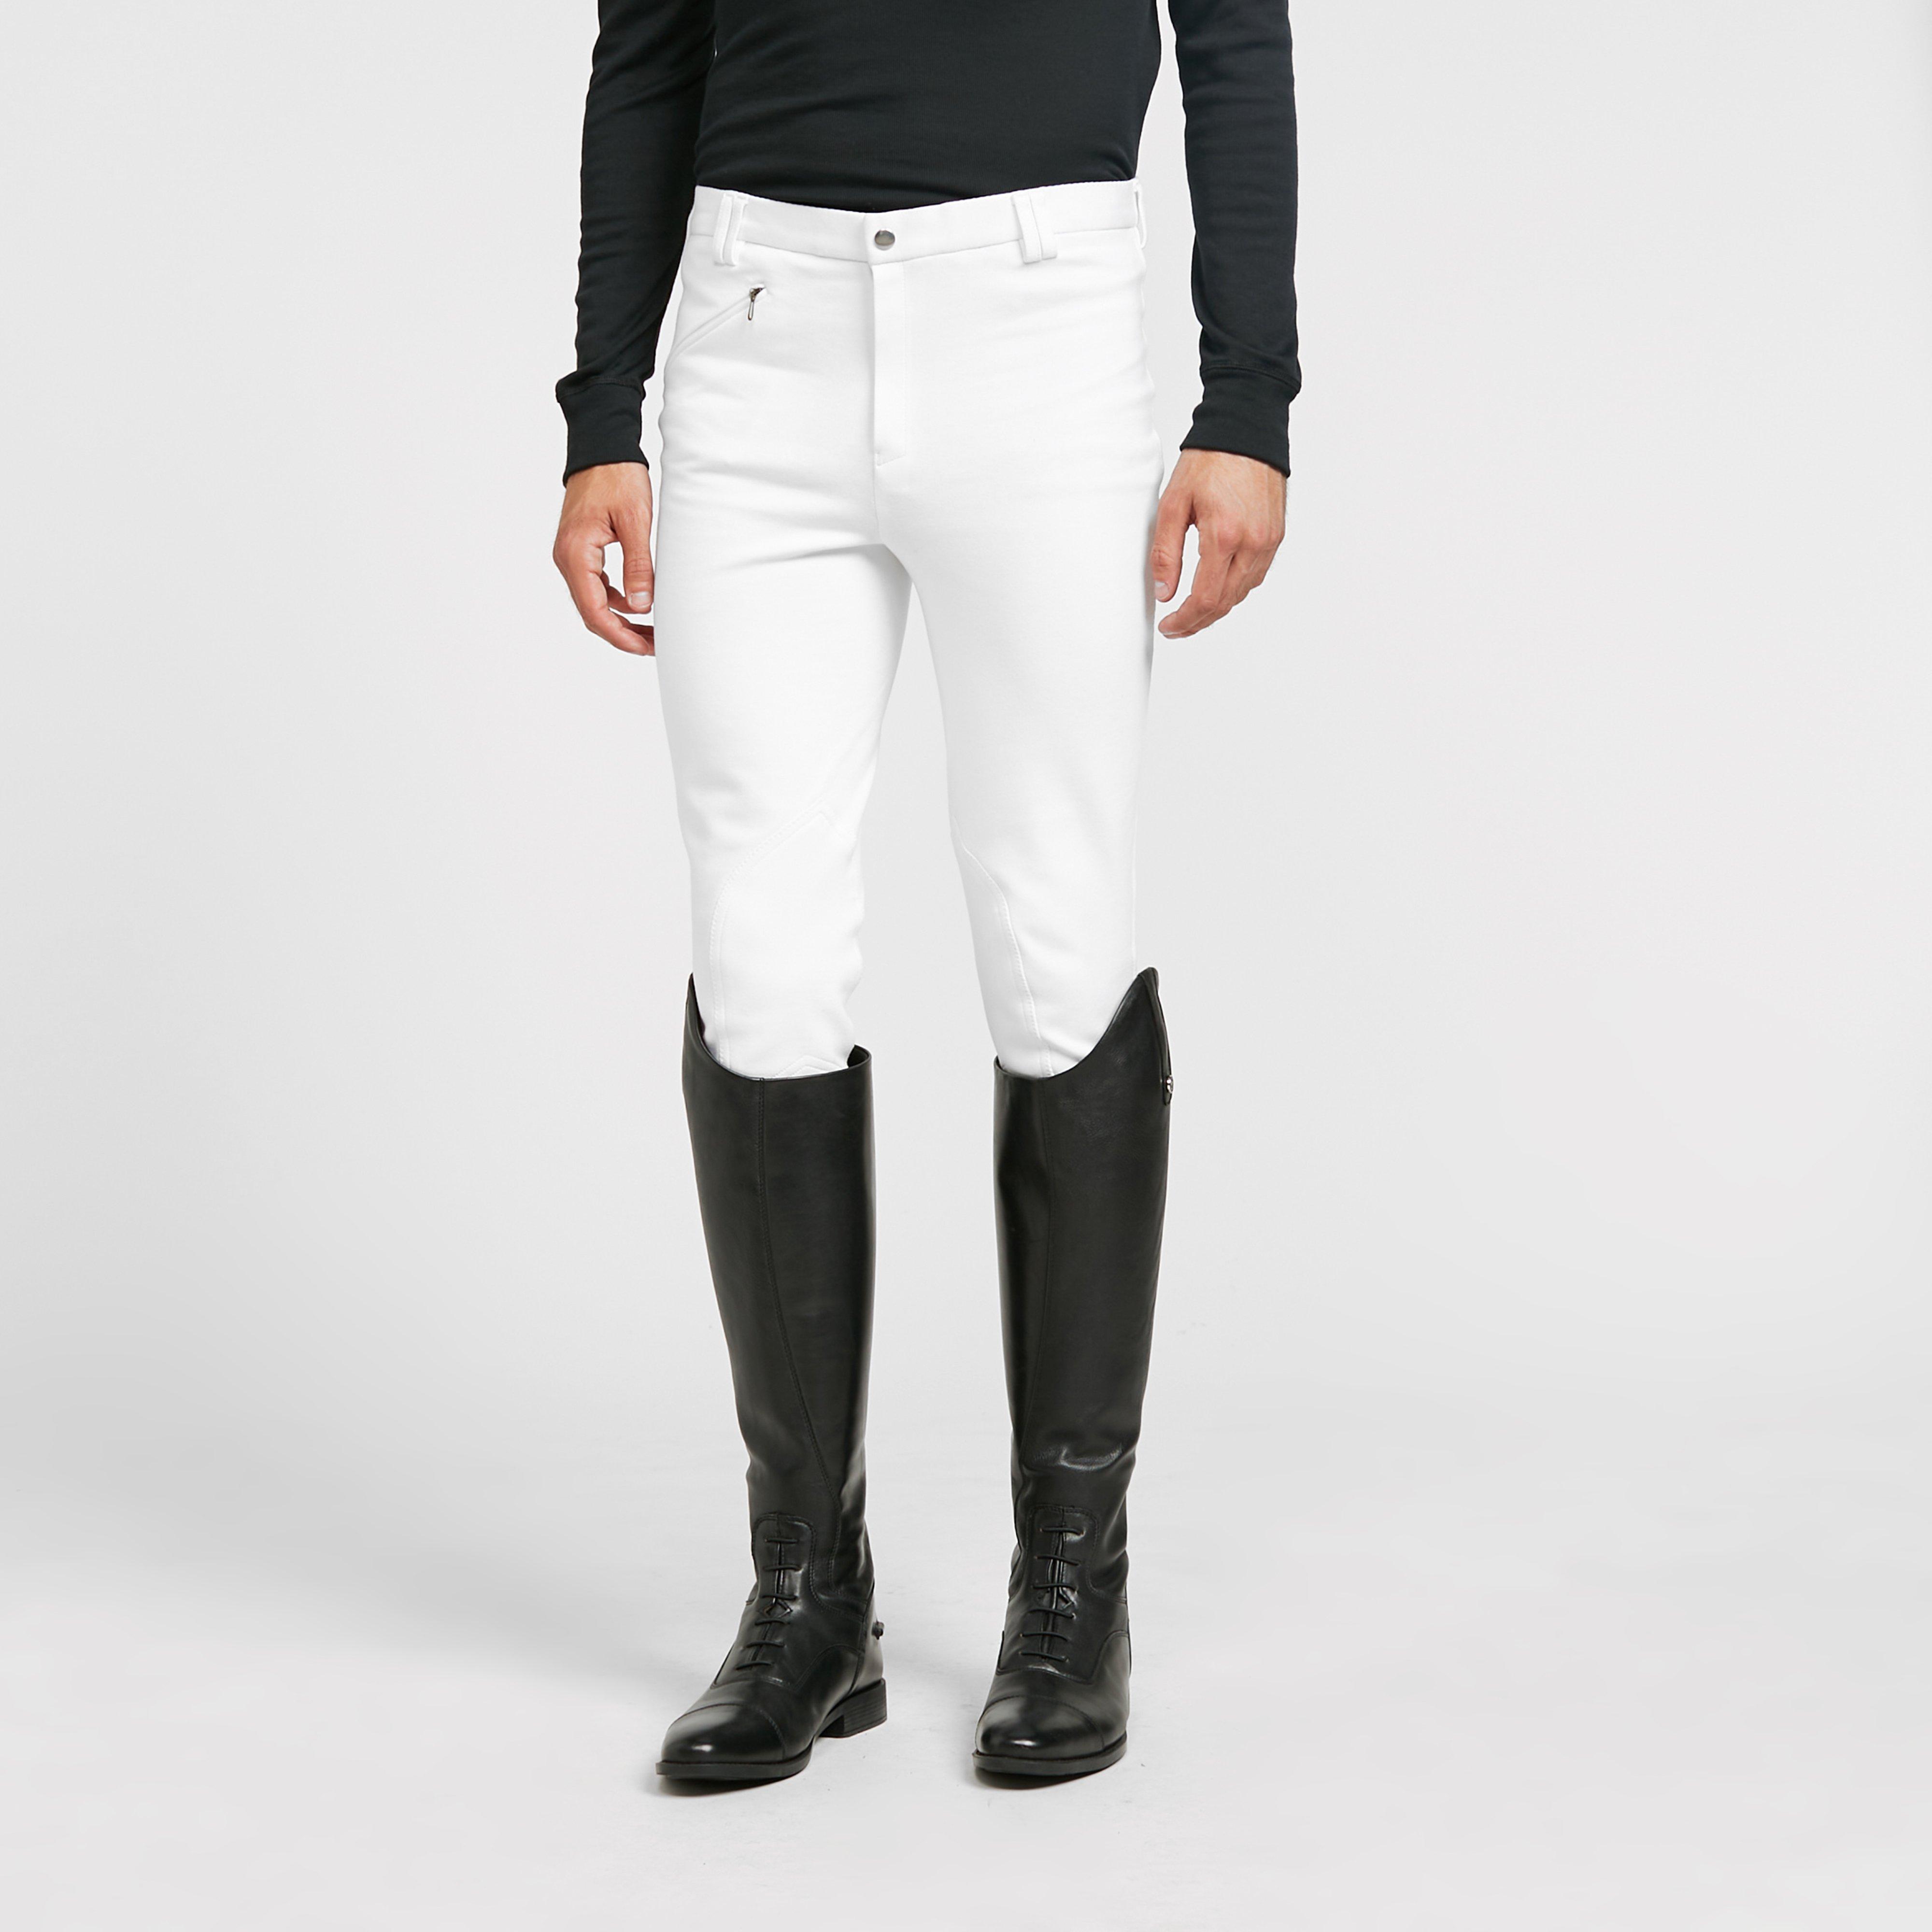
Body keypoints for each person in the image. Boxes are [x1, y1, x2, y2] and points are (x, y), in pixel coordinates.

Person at [551, 0, 1299, 1785]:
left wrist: (1248, 398)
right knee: (760, 951)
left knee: (1057, 931)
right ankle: (808, 1595)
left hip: (1040, 319)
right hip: (756, 333)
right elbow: (646, 49)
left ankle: (1075, 1586)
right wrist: (601, 414)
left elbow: (1237, 36)